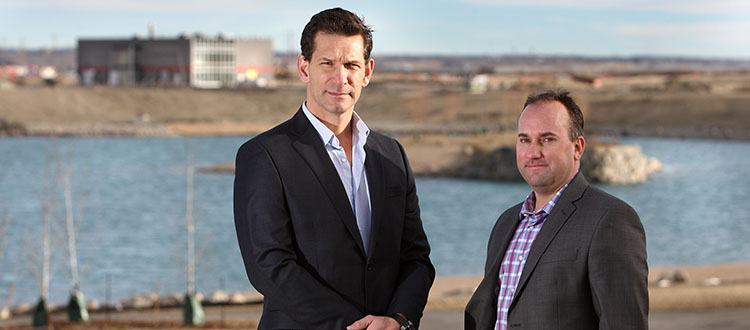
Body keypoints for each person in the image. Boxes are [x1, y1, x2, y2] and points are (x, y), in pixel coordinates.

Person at [233, 7, 434, 330]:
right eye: (327, 63)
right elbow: (269, 265)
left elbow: (416, 258)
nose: (340, 78)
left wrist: (399, 319)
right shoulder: (264, 155)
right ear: (304, 68)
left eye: (351, 65)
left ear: (367, 72)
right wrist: (353, 325)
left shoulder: (391, 155)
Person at [465, 89, 648, 330]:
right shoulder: (506, 222)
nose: (533, 152)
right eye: (525, 140)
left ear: (578, 147)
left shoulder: (610, 219)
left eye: (547, 139)